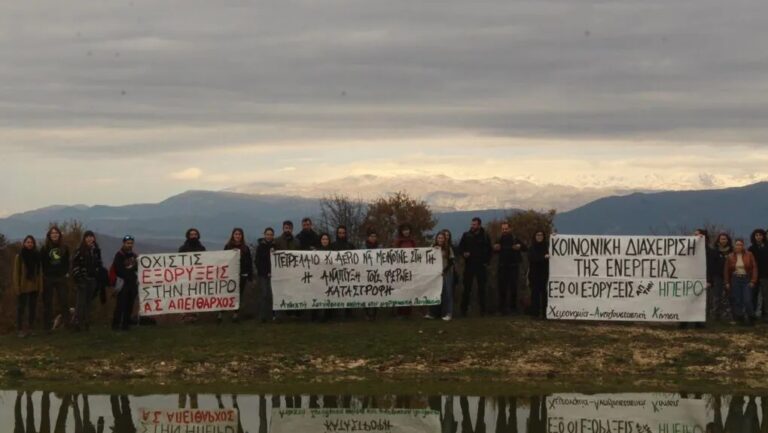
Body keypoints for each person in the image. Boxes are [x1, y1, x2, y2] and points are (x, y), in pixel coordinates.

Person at [458, 217, 492, 317]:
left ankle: (483, 310)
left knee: (482, 289)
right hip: (469, 265)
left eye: (474, 224)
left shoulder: (485, 236)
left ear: (479, 225)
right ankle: (463, 310)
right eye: (472, 224)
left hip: (481, 266)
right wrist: (464, 254)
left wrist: (487, 262)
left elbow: (490, 250)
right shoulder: (466, 235)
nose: (472, 226)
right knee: (467, 288)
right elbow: (460, 248)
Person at [71, 231, 103, 331]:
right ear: (84, 239)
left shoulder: (96, 251)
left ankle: (86, 322)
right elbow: (74, 265)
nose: (90, 239)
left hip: (92, 279)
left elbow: (99, 264)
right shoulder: (79, 251)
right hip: (83, 280)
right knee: (80, 303)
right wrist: (79, 279)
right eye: (87, 237)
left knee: (88, 303)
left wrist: (98, 276)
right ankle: (76, 323)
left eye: (91, 237)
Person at [40, 226, 70, 331]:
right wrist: (44, 274)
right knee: (48, 302)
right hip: (48, 278)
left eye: (56, 233)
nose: (54, 234)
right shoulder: (45, 248)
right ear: (49, 235)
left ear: (59, 235)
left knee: (64, 301)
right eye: (52, 233)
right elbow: (42, 263)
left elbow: (67, 262)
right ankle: (47, 327)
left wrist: (66, 272)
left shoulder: (64, 247)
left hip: (61, 277)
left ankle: (67, 325)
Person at [494, 222, 527, 315]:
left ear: (510, 229)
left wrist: (519, 247)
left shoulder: (515, 239)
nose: (504, 231)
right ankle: (501, 309)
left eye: (506, 229)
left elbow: (525, 248)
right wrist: (495, 248)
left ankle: (513, 309)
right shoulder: (499, 239)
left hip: (513, 267)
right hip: (502, 266)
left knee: (513, 288)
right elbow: (494, 250)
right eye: (503, 229)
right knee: (502, 288)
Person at [12, 235, 42, 337]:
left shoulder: (37, 256)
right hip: (23, 286)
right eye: (28, 242)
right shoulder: (20, 257)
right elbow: (16, 273)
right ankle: (20, 329)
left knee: (32, 308)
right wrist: (17, 287)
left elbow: (39, 272)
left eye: (31, 242)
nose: (30, 244)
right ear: (24, 243)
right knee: (21, 309)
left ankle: (31, 328)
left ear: (34, 244)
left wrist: (40, 286)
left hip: (34, 285)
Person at [222, 228, 253, 324]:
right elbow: (223, 259)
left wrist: (249, 274)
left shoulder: (245, 248)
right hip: (230, 275)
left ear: (242, 236)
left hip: (242, 274)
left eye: (239, 234)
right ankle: (221, 312)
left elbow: (249, 262)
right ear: (233, 235)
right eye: (236, 234)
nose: (238, 236)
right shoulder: (227, 246)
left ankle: (236, 313)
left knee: (238, 294)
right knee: (226, 294)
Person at [724, 238, 759, 326]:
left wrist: (753, 280)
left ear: (743, 246)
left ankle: (752, 317)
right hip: (735, 279)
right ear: (735, 246)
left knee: (747, 300)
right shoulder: (730, 256)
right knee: (737, 300)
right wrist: (727, 282)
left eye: (740, 244)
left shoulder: (749, 254)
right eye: (737, 244)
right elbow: (726, 270)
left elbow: (754, 268)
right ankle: (740, 318)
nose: (739, 246)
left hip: (746, 279)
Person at [426, 230, 455, 321]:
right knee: (435, 293)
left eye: (442, 238)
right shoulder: (432, 247)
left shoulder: (448, 248)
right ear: (436, 238)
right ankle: (433, 313)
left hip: (446, 274)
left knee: (447, 293)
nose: (440, 239)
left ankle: (448, 313)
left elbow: (451, 262)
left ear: (444, 239)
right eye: (439, 238)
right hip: (435, 274)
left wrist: (444, 270)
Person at [178, 228, 206, 323]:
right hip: (185, 275)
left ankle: (195, 315)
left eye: (195, 234)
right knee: (185, 294)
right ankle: (184, 315)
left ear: (198, 235)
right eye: (191, 234)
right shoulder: (182, 249)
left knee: (196, 294)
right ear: (188, 236)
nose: (193, 236)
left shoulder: (202, 249)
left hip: (197, 275)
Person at [112, 235, 138, 331]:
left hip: (132, 284)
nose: (129, 245)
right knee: (120, 305)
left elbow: (137, 268)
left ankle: (126, 324)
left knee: (130, 305)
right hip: (123, 283)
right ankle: (116, 324)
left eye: (131, 243)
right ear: (124, 243)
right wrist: (129, 275)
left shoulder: (134, 256)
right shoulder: (119, 255)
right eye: (128, 243)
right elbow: (119, 270)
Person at [392, 224, 417, 317]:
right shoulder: (398, 241)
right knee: (401, 290)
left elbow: (416, 253)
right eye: (404, 230)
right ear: (401, 231)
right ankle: (400, 311)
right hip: (401, 269)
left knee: (409, 290)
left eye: (407, 230)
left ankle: (408, 311)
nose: (406, 232)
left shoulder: (412, 241)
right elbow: (395, 254)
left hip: (410, 269)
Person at [255, 228, 276, 323]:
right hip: (263, 275)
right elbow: (257, 261)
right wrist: (265, 272)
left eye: (271, 234)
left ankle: (274, 315)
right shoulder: (260, 247)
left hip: (275, 275)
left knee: (273, 295)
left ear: (273, 236)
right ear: (264, 235)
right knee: (264, 294)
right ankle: (262, 316)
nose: (269, 236)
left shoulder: (275, 246)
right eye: (267, 234)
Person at [528, 230, 549, 320]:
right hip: (534, 274)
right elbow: (532, 259)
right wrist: (543, 258)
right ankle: (535, 313)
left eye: (541, 235)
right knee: (535, 294)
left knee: (544, 294)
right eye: (537, 235)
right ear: (535, 236)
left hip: (544, 274)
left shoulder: (547, 247)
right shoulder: (531, 248)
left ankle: (545, 313)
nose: (539, 237)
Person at [711, 233, 733, 322]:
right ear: (718, 240)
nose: (723, 240)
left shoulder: (732, 251)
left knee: (727, 296)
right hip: (717, 276)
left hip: (729, 276)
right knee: (717, 296)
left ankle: (727, 315)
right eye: (721, 239)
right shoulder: (715, 251)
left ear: (727, 240)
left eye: (725, 239)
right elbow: (712, 264)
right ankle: (715, 315)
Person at [748, 228, 768, 321]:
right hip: (754, 276)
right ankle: (753, 314)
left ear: (763, 236)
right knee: (753, 295)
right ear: (754, 237)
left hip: (765, 275)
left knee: (766, 296)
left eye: (760, 235)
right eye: (756, 235)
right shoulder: (751, 249)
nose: (758, 237)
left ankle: (765, 315)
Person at [363, 228, 381, 321]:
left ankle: (374, 313)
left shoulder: (379, 248)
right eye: (371, 236)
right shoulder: (363, 247)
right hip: (365, 272)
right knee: (366, 292)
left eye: (375, 236)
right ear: (368, 237)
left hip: (377, 272)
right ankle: (366, 312)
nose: (373, 238)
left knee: (376, 292)